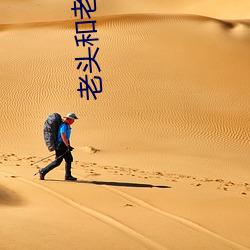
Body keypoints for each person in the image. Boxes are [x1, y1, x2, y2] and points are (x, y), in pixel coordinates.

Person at [39, 112, 78, 181]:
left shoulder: (67, 125)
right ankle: (43, 172)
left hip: (64, 145)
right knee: (57, 162)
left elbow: (66, 137)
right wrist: (67, 146)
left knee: (69, 159)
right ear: (70, 119)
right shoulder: (64, 126)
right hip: (61, 145)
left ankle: (68, 175)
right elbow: (63, 135)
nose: (74, 121)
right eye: (73, 119)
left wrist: (68, 145)